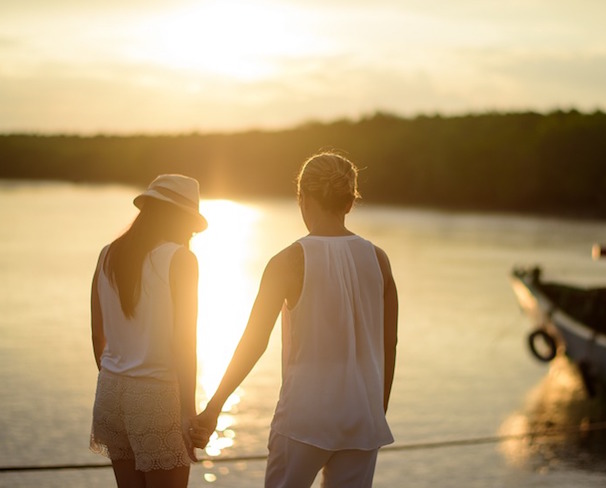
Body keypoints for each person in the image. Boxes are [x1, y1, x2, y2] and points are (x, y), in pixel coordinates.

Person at [192, 152, 398, 488]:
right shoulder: (379, 259)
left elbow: (254, 341)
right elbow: (389, 343)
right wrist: (376, 410)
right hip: (362, 419)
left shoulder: (287, 261)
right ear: (349, 203)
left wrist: (213, 407)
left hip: (305, 418)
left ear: (302, 199)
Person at [89, 174, 207, 488]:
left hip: (111, 392)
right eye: (190, 225)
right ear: (179, 217)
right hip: (157, 396)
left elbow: (96, 335)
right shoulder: (181, 260)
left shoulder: (108, 254)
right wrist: (188, 411)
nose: (191, 234)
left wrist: (118, 374)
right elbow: (184, 342)